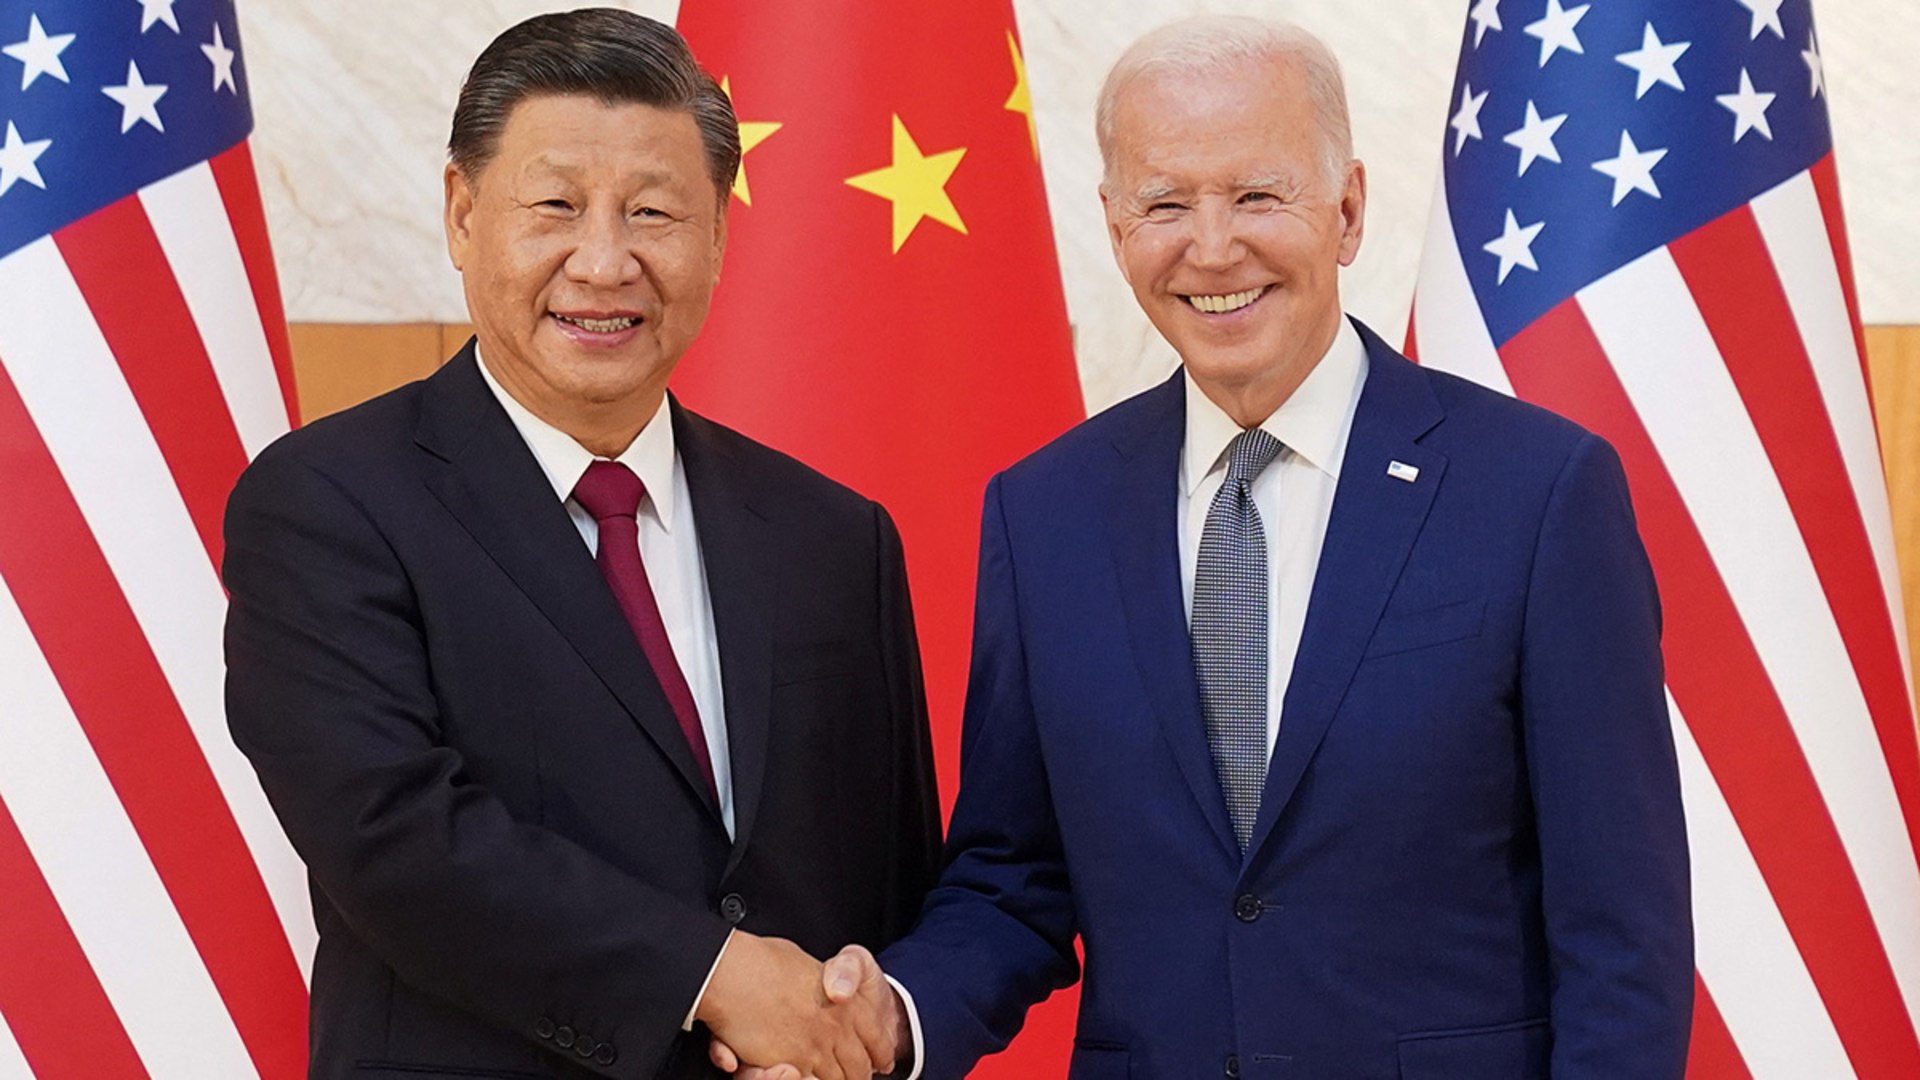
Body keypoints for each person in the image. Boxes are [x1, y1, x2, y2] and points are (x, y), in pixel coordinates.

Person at [729, 14, 1693, 1080]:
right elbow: (1016, 877)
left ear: (1348, 209)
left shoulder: (1539, 492)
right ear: (1114, 225)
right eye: (1166, 203)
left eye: (1257, 195)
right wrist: (892, 1020)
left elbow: (1622, 934)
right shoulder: (1045, 512)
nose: (1212, 246)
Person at [223, 10, 938, 1079]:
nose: (603, 263)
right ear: (464, 215)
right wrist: (716, 977)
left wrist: (846, 1025)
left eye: (653, 212)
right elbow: (396, 845)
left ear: (716, 238)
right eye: (554, 206)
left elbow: (886, 883)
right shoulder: (326, 503)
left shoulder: (834, 535)